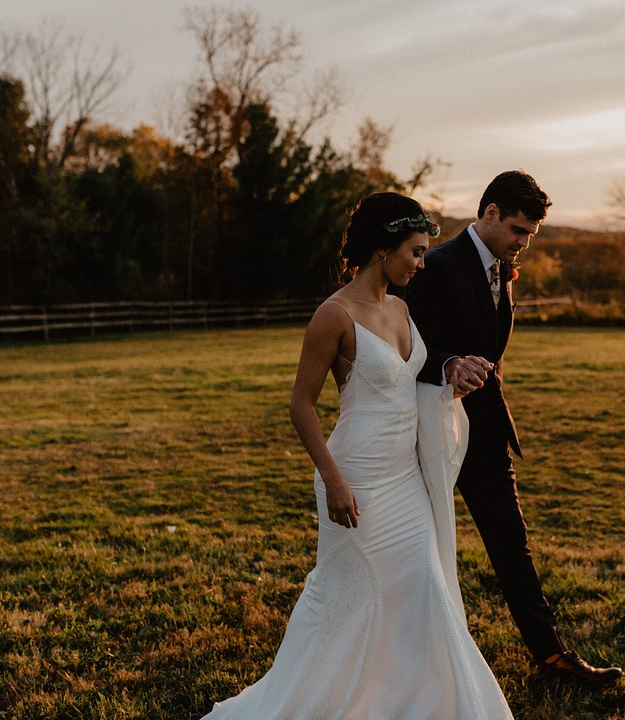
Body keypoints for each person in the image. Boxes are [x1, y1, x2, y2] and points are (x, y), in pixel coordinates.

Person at [201, 192, 513, 719]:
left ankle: (424, 703)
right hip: (357, 477)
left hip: (406, 481)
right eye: (414, 252)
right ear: (381, 250)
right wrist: (334, 478)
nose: (421, 263)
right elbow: (301, 406)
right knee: (350, 602)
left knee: (424, 591)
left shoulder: (401, 308)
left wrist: (452, 383)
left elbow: (409, 386)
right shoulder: (334, 314)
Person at [400, 170, 624, 686]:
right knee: (419, 544)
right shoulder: (436, 265)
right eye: (519, 231)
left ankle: (551, 658)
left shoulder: (500, 268)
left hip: (485, 431)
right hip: (429, 431)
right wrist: (449, 364)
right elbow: (405, 345)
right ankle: (411, 657)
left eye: (531, 235)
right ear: (491, 213)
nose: (524, 244)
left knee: (511, 544)